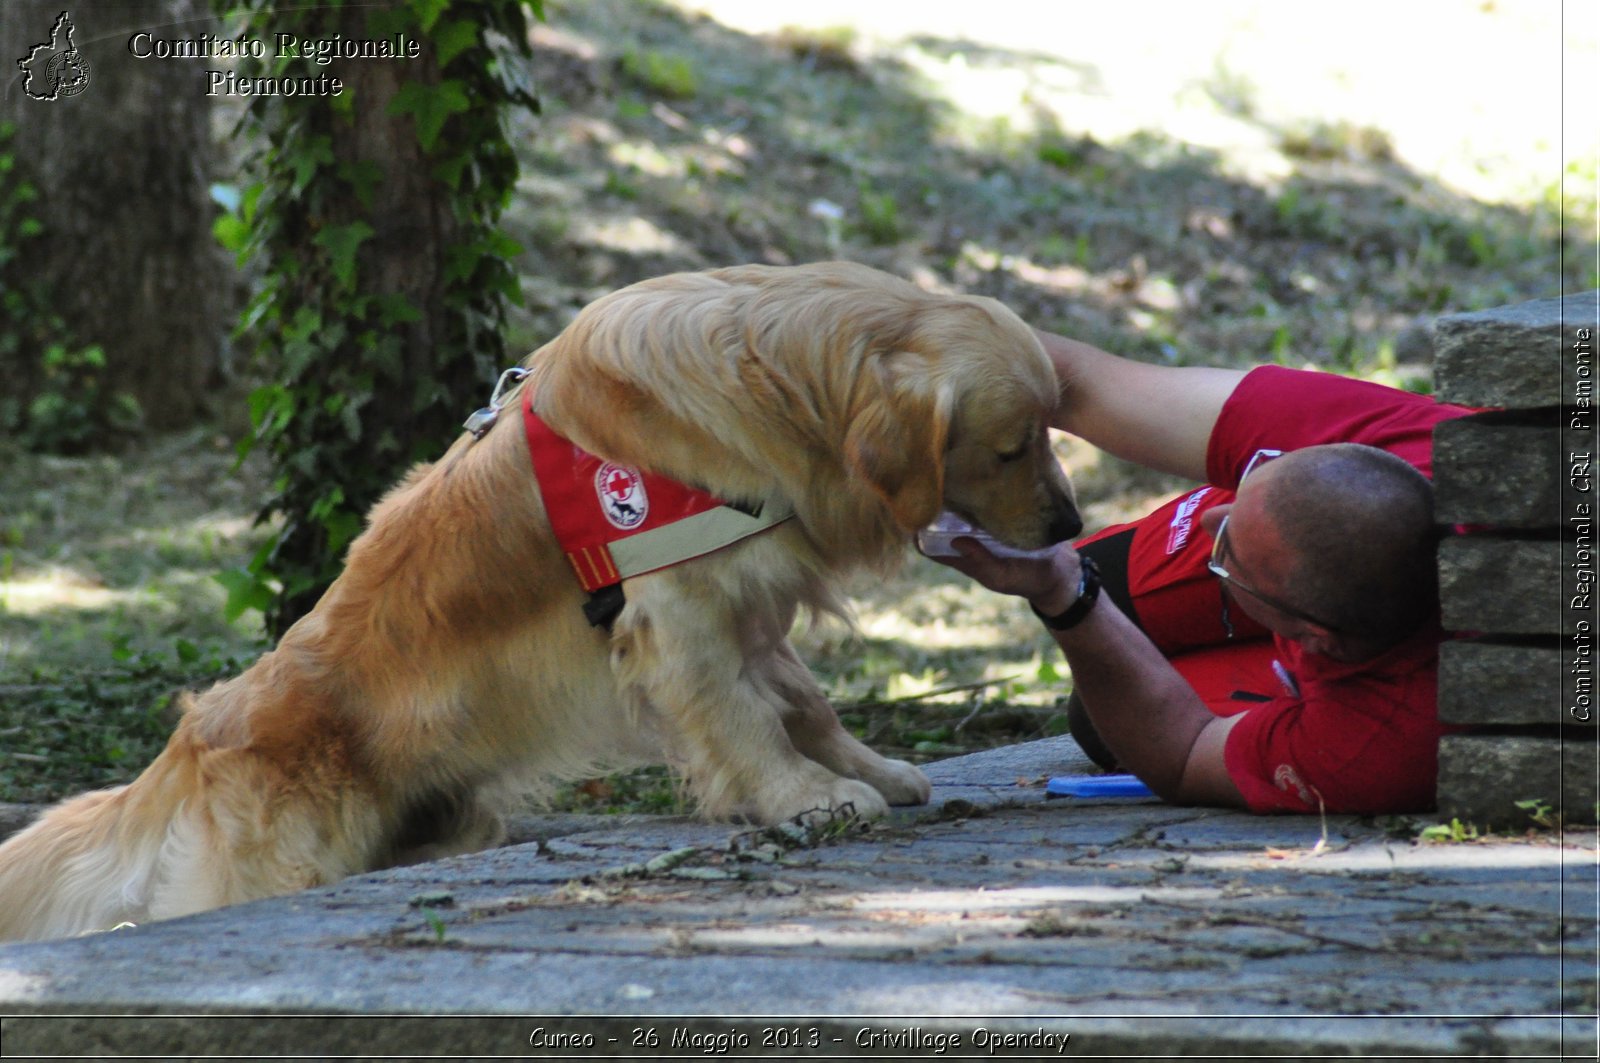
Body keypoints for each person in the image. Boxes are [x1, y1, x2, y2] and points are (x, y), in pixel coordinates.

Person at [931, 330, 1476, 814]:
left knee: (1103, 722)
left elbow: (1186, 753)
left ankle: (1272, 684)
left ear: (1318, 639)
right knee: (1112, 579)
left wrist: (1063, 592)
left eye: (1226, 546)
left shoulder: (1377, 742)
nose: (1210, 517)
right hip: (1310, 565)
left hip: (1356, 661)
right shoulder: (1421, 435)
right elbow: (1074, 381)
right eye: (1248, 487)